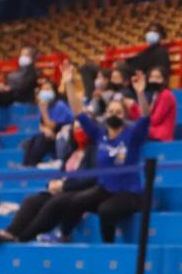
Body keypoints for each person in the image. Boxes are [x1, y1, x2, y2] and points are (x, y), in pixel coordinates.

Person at [56, 63, 149, 243]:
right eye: (111, 111)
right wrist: (68, 83)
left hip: (130, 194)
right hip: (105, 189)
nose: (114, 114)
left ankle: (108, 249)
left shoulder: (133, 135)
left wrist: (140, 93)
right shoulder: (100, 133)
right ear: (105, 114)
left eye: (119, 112)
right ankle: (64, 235)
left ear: (125, 115)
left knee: (106, 209)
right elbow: (78, 112)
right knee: (76, 201)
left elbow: (145, 116)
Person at [0, 121, 97, 243]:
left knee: (54, 203)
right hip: (62, 190)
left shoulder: (94, 151)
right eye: (76, 128)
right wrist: (52, 184)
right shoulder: (71, 153)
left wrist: (64, 185)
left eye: (82, 128)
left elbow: (90, 179)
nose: (79, 131)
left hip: (79, 193)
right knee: (33, 200)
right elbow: (60, 175)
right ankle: (10, 232)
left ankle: (23, 237)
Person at [22, 78, 73, 166]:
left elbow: (52, 126)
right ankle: (25, 165)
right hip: (50, 135)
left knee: (41, 140)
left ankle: (31, 165)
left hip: (64, 137)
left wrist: (44, 111)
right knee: (33, 140)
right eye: (43, 89)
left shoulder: (59, 105)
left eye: (48, 89)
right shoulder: (44, 105)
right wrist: (45, 130)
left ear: (54, 92)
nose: (45, 92)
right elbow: (41, 125)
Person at [140, 65, 178, 142]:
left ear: (164, 80)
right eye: (151, 77)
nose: (154, 80)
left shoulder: (166, 95)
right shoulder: (155, 94)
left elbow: (155, 120)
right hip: (152, 133)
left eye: (158, 78)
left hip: (160, 136)